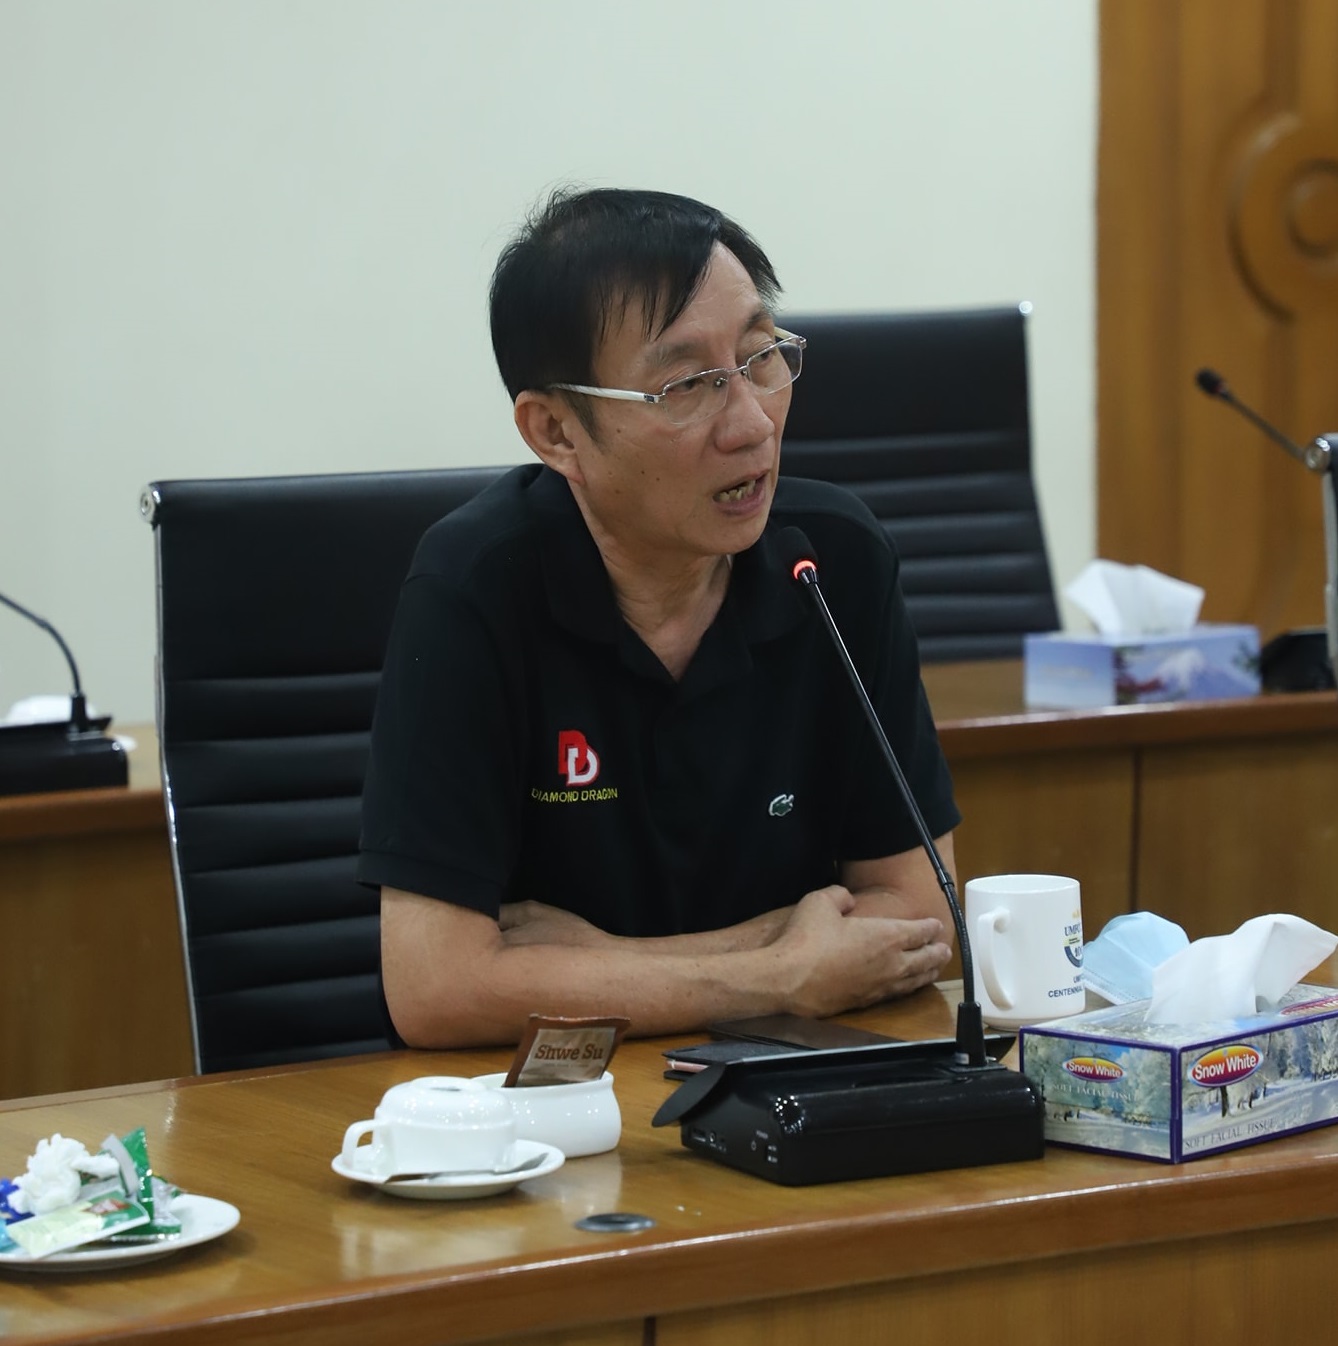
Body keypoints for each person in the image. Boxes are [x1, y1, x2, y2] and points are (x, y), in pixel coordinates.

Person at [358, 187, 960, 1048]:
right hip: (550, 1105)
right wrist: (780, 972)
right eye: (687, 386)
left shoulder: (830, 563)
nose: (751, 424)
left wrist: (601, 963)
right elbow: (436, 988)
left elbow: (923, 914)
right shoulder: (474, 589)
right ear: (556, 432)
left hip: (781, 1084)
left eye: (760, 357)